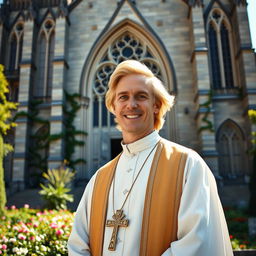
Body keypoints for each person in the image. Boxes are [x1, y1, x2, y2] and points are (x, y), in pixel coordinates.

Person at [68, 60, 233, 256]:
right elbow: (77, 245)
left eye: (141, 96)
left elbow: (198, 242)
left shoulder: (188, 165)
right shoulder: (98, 179)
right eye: (123, 97)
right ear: (113, 106)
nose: (131, 104)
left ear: (156, 106)